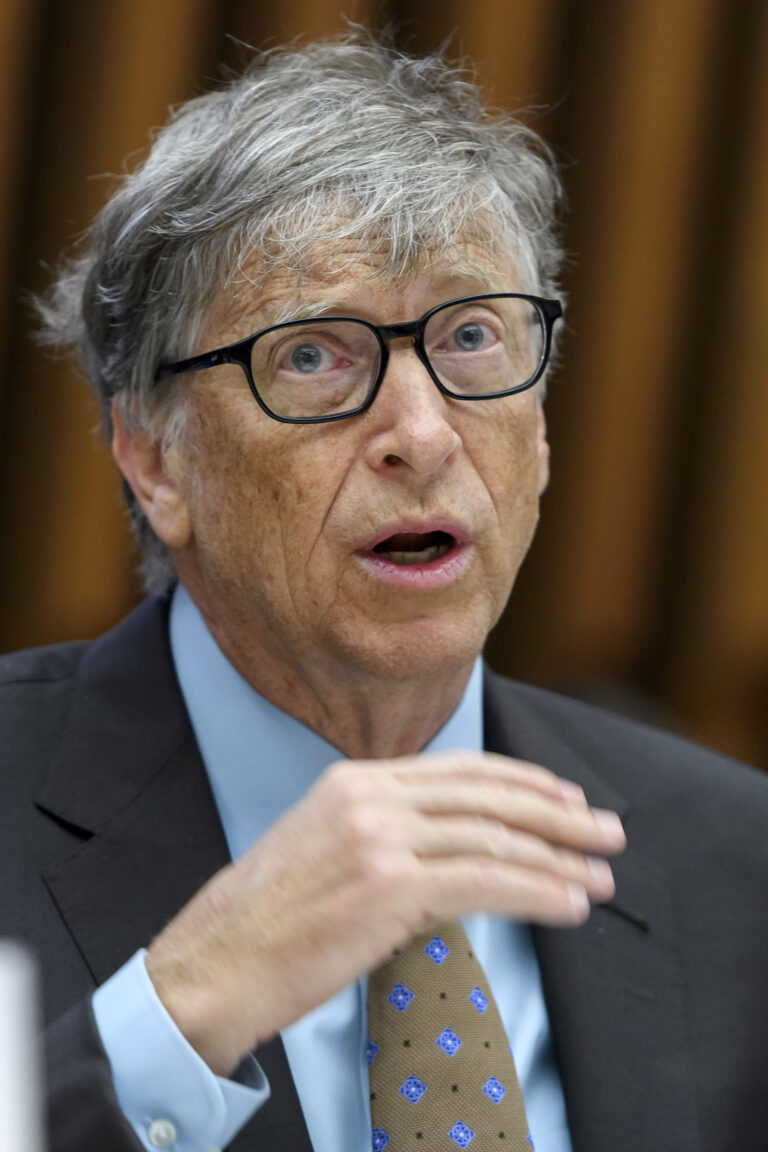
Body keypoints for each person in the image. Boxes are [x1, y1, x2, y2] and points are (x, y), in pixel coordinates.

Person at [2, 33, 767, 1152]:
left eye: (469, 337)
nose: (421, 434)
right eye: (313, 356)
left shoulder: (736, 867)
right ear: (156, 457)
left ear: (542, 433)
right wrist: (184, 1006)